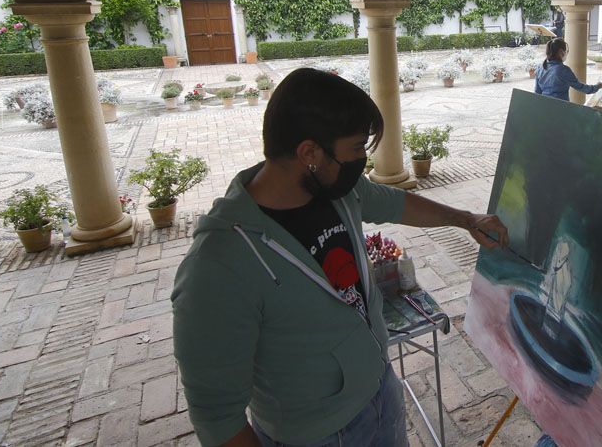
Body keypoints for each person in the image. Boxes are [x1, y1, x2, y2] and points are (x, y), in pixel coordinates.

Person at [172, 68, 509, 447]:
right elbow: (216, 416)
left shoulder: (333, 190)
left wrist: (465, 220)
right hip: (315, 435)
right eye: (356, 150)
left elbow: (394, 203)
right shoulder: (220, 265)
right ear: (309, 153)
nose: (362, 162)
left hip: (379, 393)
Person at [534, 38, 602, 101]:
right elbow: (581, 87)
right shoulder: (563, 70)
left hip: (544, 107)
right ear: (561, 52)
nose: (566, 53)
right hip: (561, 108)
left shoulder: (540, 68)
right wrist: (597, 86)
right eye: (566, 51)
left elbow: (537, 93)